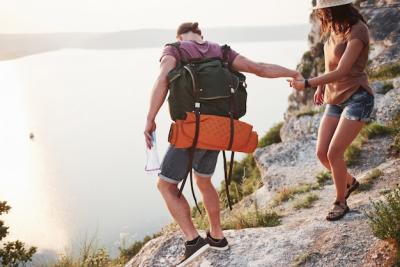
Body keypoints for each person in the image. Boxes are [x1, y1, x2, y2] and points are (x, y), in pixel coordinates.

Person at [144, 22, 302, 266]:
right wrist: (293, 73)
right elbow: (258, 68)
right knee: (204, 180)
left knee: (165, 186)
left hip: (191, 129)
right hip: (219, 130)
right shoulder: (220, 51)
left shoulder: (175, 50)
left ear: (179, 36)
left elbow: (163, 79)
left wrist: (150, 119)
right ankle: (217, 236)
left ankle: (193, 241)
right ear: (200, 36)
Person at [288, 0, 374, 221]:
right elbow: (330, 64)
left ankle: (340, 201)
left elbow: (344, 70)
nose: (320, 16)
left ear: (332, 9)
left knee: (334, 152)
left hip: (358, 97)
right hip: (334, 99)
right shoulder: (335, 28)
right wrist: (321, 85)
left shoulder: (358, 30)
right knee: (321, 152)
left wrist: (307, 82)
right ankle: (350, 182)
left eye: (322, 12)